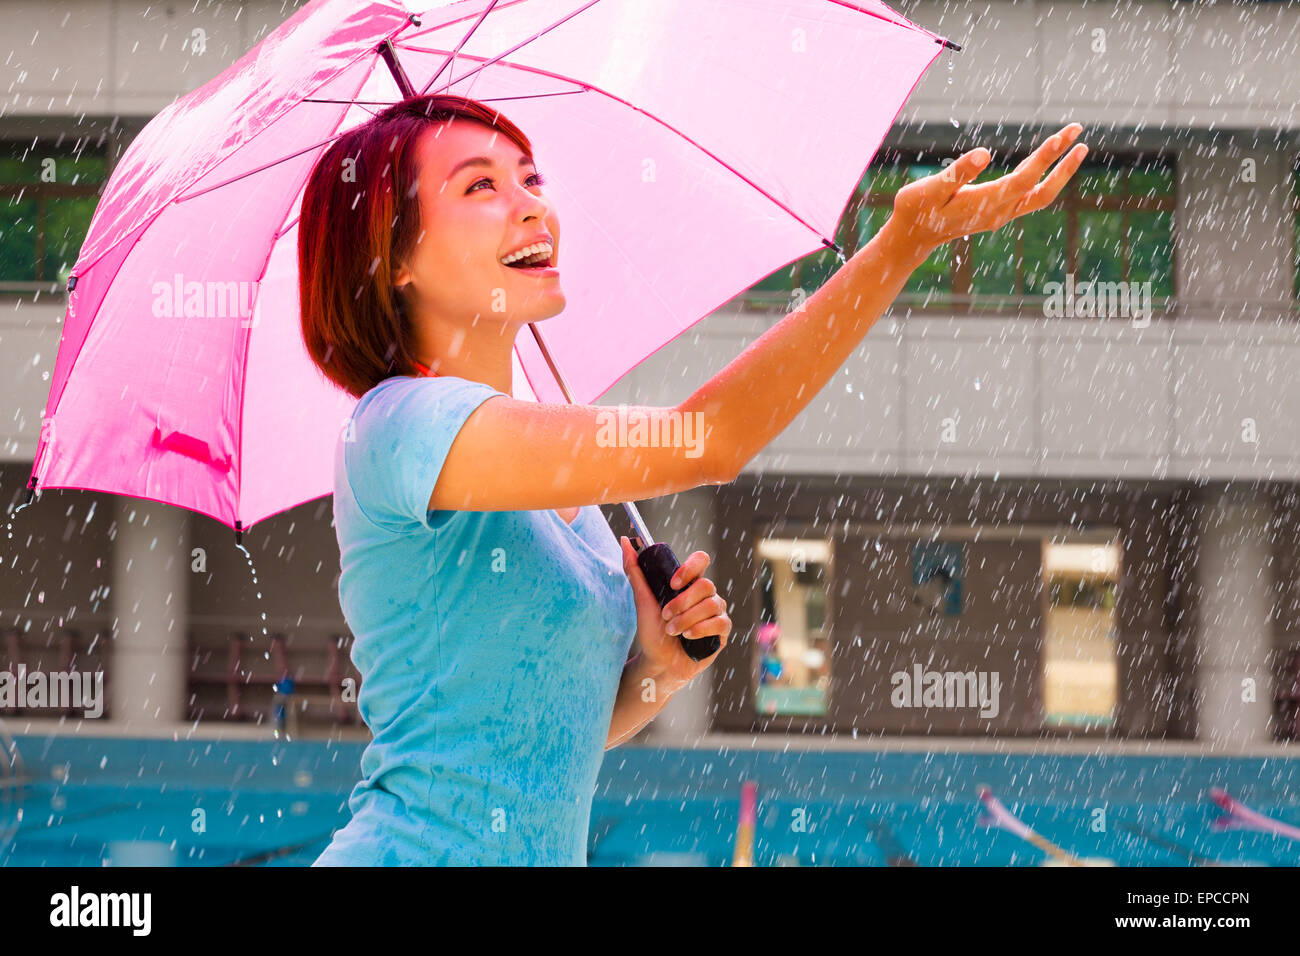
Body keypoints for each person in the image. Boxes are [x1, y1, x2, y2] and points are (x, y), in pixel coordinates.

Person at [299, 94, 1086, 866]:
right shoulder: (399, 427)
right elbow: (710, 439)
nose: (533, 208)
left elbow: (542, 739)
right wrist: (901, 245)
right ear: (394, 259)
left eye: (532, 180)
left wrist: (663, 668)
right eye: (481, 186)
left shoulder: (549, 492)